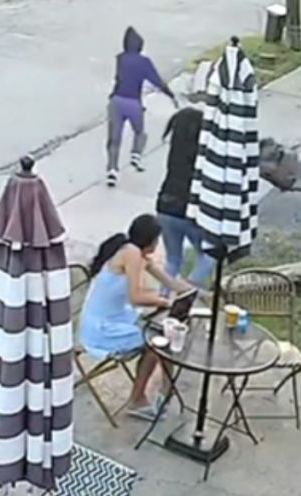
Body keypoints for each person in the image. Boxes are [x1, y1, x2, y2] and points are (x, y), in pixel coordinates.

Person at [78, 214, 197, 420]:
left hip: (116, 318)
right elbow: (136, 297)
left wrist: (187, 293)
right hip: (102, 328)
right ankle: (137, 399)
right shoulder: (130, 253)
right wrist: (165, 302)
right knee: (156, 342)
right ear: (151, 240)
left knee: (164, 336)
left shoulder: (135, 251)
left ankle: (165, 393)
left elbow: (168, 281)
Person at [106, 26, 176, 188]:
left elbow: (118, 78)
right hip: (133, 103)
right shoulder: (144, 62)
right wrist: (170, 94)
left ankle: (112, 170)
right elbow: (156, 81)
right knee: (140, 132)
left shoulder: (120, 59)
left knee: (114, 139)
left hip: (116, 101)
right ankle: (136, 154)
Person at [156, 107, 216, 291]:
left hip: (165, 206)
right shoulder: (201, 155)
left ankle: (162, 299)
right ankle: (188, 288)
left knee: (173, 259)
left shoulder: (176, 149)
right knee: (209, 254)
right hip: (188, 210)